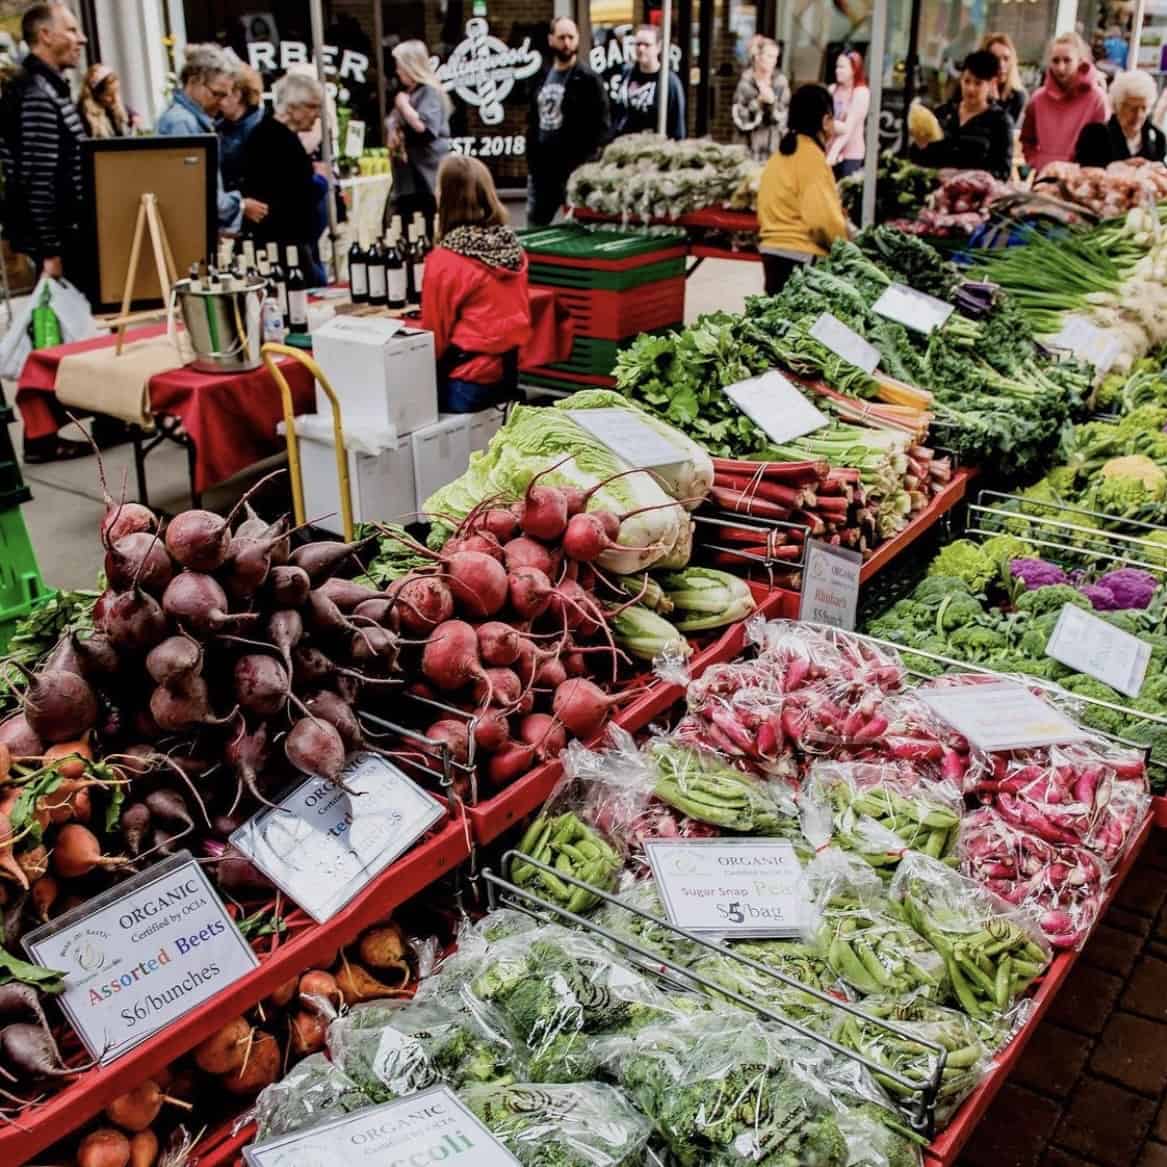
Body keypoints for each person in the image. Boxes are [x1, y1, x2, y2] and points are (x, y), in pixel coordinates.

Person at [0, 3, 92, 462]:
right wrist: (51, 250)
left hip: (58, 236)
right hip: (54, 241)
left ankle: (58, 427)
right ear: (44, 36)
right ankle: (39, 436)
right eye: (71, 30)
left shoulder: (46, 87)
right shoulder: (37, 93)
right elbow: (39, 177)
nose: (81, 38)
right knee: (47, 335)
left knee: (55, 333)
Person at [422, 155, 532, 413]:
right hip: (507, 374)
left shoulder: (446, 260)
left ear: (447, 199)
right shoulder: (510, 248)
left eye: (439, 189)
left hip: (467, 383)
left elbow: (434, 338)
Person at [156, 43, 268, 235]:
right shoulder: (181, 123)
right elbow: (192, 193)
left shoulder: (187, 120)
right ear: (194, 81)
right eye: (217, 94)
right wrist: (239, 205)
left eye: (226, 95)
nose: (222, 102)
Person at [756, 84, 850, 295]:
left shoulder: (779, 156)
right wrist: (848, 246)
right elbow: (822, 221)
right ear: (826, 121)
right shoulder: (813, 159)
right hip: (801, 258)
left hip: (771, 253)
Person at [241, 72, 327, 284]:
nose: (317, 115)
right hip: (285, 245)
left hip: (289, 242)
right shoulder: (276, 139)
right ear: (293, 106)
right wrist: (321, 181)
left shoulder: (274, 134)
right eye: (312, 106)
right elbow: (295, 193)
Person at [525, 17, 609, 226]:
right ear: (551, 39)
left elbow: (602, 126)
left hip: (574, 169)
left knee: (579, 226)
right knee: (534, 227)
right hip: (542, 169)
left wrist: (586, 162)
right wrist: (532, 159)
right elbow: (533, 120)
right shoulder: (541, 76)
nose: (567, 42)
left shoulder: (588, 79)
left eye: (571, 37)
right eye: (561, 37)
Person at [909, 51, 1014, 180]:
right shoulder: (943, 113)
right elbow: (917, 158)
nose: (970, 88)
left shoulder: (1000, 121)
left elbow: (1002, 171)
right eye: (967, 81)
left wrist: (964, 176)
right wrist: (921, 145)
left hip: (973, 193)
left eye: (978, 83)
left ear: (992, 83)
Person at [386, 40, 451, 234]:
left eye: (400, 66)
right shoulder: (409, 93)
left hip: (425, 178)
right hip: (407, 179)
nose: (397, 71)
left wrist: (404, 107)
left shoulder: (428, 92)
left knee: (424, 225)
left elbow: (425, 129)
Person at [1021, 33, 1108, 173]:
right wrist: (1035, 162)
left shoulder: (1097, 98)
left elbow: (1101, 146)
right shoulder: (1038, 99)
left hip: (1080, 178)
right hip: (1044, 176)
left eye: (1067, 60)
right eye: (1055, 61)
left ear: (1080, 61)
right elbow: (1027, 139)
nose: (1061, 67)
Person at [1075, 69, 1166, 167]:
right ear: (1117, 106)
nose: (1139, 115)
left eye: (1143, 108)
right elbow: (1084, 172)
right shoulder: (1095, 134)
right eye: (1132, 108)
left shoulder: (1157, 138)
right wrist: (1120, 167)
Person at [610, 24, 686, 140]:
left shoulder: (669, 82)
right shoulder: (627, 74)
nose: (641, 49)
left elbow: (677, 128)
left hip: (652, 151)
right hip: (623, 148)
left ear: (658, 47)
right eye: (638, 44)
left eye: (647, 45)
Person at [731, 36, 790, 163]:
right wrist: (758, 102)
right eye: (769, 56)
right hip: (749, 149)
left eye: (776, 57)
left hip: (773, 149)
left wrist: (772, 103)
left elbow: (785, 118)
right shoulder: (745, 83)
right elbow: (739, 119)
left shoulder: (780, 83)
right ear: (757, 57)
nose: (773, 61)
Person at [218, 62, 264, 192]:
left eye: (222, 94)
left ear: (237, 95)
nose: (217, 100)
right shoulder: (221, 126)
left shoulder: (260, 130)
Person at [825, 49, 869, 178]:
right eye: (837, 66)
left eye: (842, 67)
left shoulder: (861, 92)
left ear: (854, 69)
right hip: (829, 152)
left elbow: (848, 130)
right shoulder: (832, 89)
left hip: (850, 155)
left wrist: (833, 153)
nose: (837, 70)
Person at [982, 33, 1027, 127]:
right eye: (995, 58)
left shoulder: (1017, 96)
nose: (1001, 65)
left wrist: (994, 103)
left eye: (1006, 59)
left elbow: (1004, 134)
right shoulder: (972, 86)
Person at [77, 63, 133, 138]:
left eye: (116, 92)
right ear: (96, 94)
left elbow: (130, 115)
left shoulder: (114, 106)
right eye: (109, 95)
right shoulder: (84, 115)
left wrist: (134, 117)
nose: (115, 99)